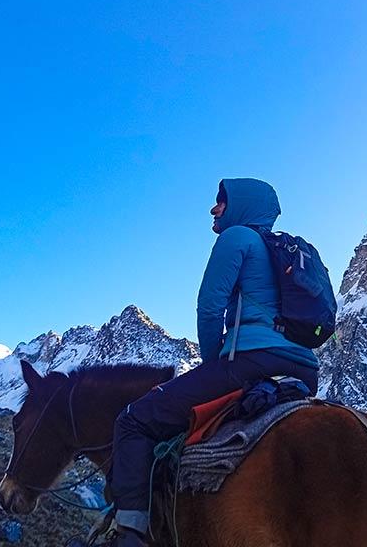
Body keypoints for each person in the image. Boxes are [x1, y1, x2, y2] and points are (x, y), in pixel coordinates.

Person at [106, 178, 320, 547]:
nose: (214, 208)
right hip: (304, 370)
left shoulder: (237, 238)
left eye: (222, 201)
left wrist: (212, 366)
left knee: (134, 421)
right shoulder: (288, 252)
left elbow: (209, 306)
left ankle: (130, 533)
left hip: (252, 362)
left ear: (242, 207)